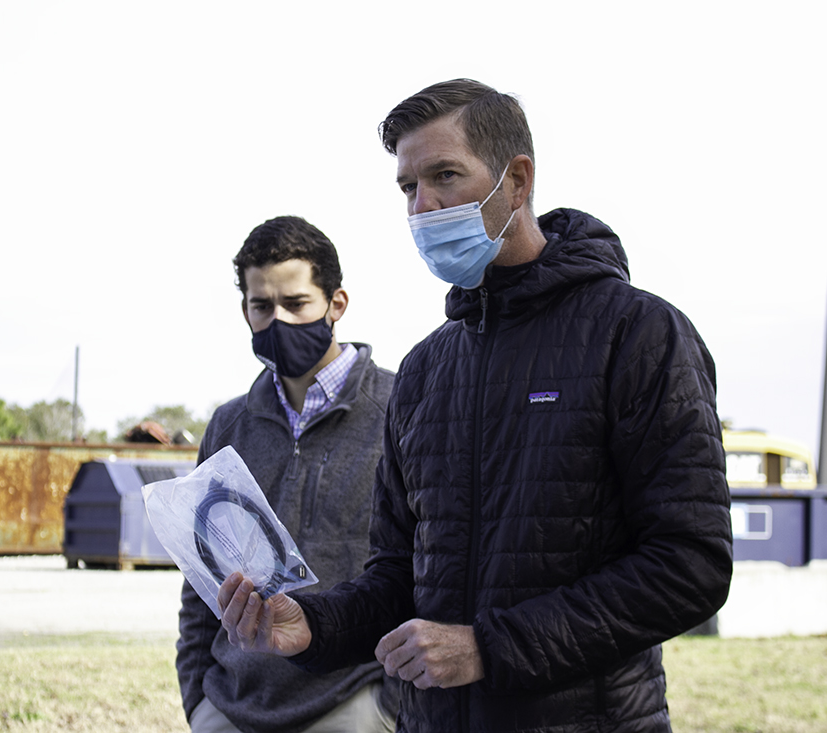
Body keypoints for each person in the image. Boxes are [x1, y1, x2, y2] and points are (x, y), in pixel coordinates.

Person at [216, 80, 734, 732]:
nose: (423, 207)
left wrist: (489, 646)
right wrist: (313, 623)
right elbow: (397, 582)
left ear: (517, 182)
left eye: (446, 176)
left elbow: (690, 564)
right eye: (408, 187)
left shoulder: (638, 335)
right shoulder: (427, 370)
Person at [176, 215, 399, 733]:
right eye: (262, 306)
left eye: (296, 304)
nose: (278, 320)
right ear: (246, 310)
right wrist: (199, 701)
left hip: (352, 705)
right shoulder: (229, 424)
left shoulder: (400, 407)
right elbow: (197, 580)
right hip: (230, 708)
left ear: (335, 304)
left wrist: (388, 708)